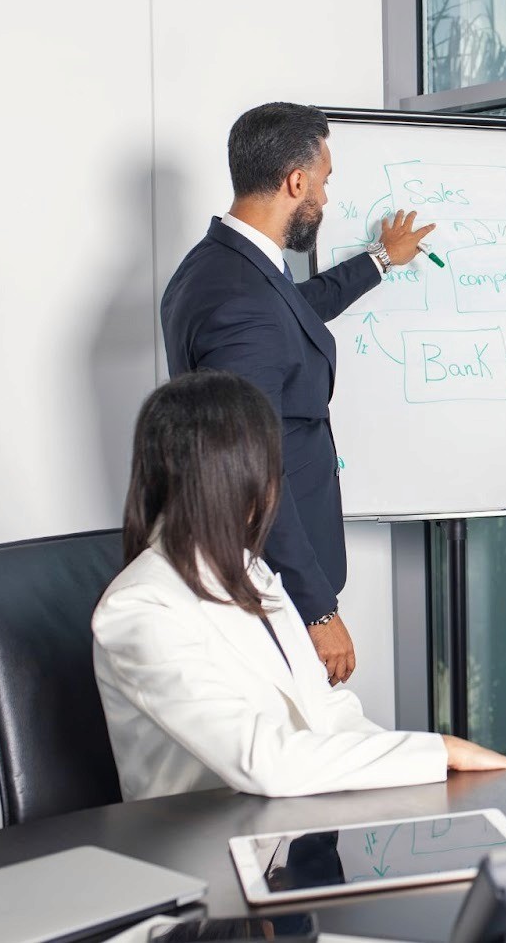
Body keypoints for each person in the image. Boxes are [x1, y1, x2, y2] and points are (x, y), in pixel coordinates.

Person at [93, 370, 506, 801]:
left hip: (286, 827)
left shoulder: (248, 570)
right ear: (235, 476)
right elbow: (261, 760)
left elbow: (325, 709)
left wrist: (425, 769)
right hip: (204, 849)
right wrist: (434, 752)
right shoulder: (139, 608)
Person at [161, 101, 433, 685]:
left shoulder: (222, 267)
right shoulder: (241, 302)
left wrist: (381, 260)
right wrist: (317, 610)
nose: (328, 199)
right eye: (326, 180)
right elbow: (253, 471)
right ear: (296, 180)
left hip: (266, 578)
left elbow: (294, 315)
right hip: (268, 587)